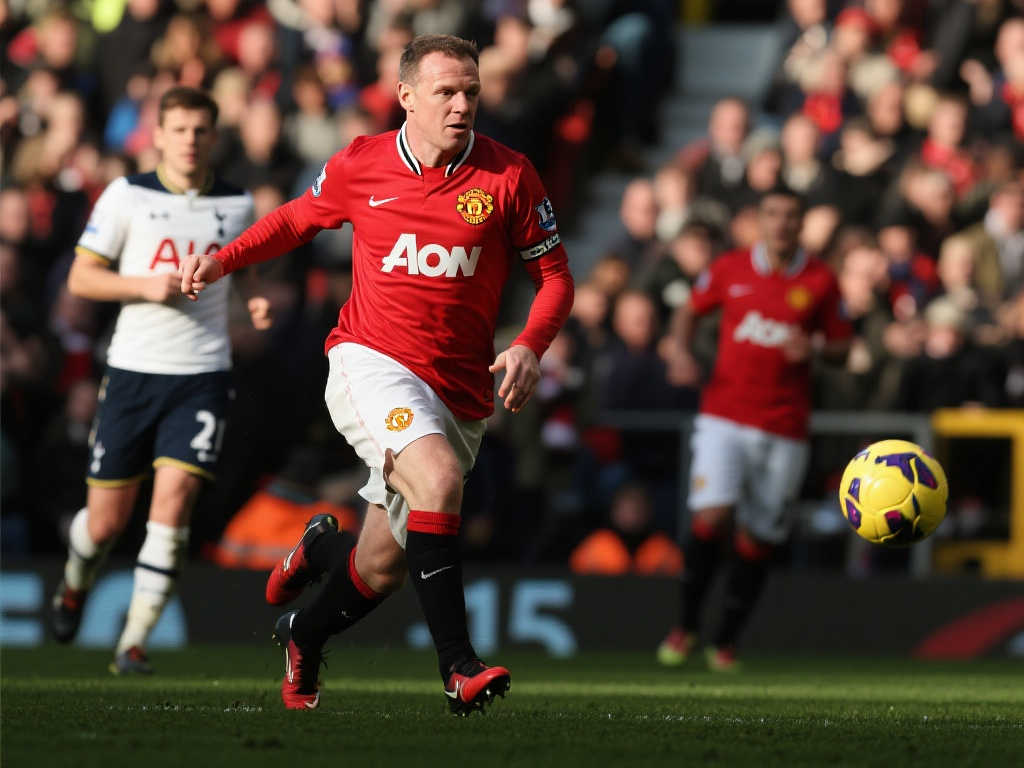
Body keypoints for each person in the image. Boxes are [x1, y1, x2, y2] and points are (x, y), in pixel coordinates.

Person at [180, 34, 574, 714]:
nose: (461, 105)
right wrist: (225, 259)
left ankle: (304, 626)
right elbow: (297, 220)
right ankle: (458, 667)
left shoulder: (509, 175)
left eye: (471, 92)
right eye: (446, 92)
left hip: (459, 391)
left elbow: (556, 278)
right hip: (371, 361)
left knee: (380, 568)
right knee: (438, 480)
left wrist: (530, 345)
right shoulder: (363, 163)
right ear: (407, 97)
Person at [49, 86, 270, 674]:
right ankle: (75, 581)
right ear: (159, 136)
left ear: (214, 137)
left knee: (174, 503)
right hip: (133, 371)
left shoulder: (237, 203)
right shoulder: (128, 195)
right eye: (179, 130)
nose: (190, 140)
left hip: (202, 374)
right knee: (105, 524)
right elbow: (81, 279)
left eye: (200, 130)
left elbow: (244, 267)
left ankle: (134, 642)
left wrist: (253, 302)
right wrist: (144, 285)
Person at [658, 186, 851, 671]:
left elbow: (843, 347)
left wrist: (815, 349)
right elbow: (689, 310)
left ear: (802, 223)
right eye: (773, 213)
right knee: (711, 517)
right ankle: (685, 626)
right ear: (760, 220)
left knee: (760, 536)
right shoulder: (730, 268)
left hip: (785, 425)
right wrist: (680, 351)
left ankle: (726, 641)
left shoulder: (821, 280)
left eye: (791, 215)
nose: (781, 223)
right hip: (724, 415)